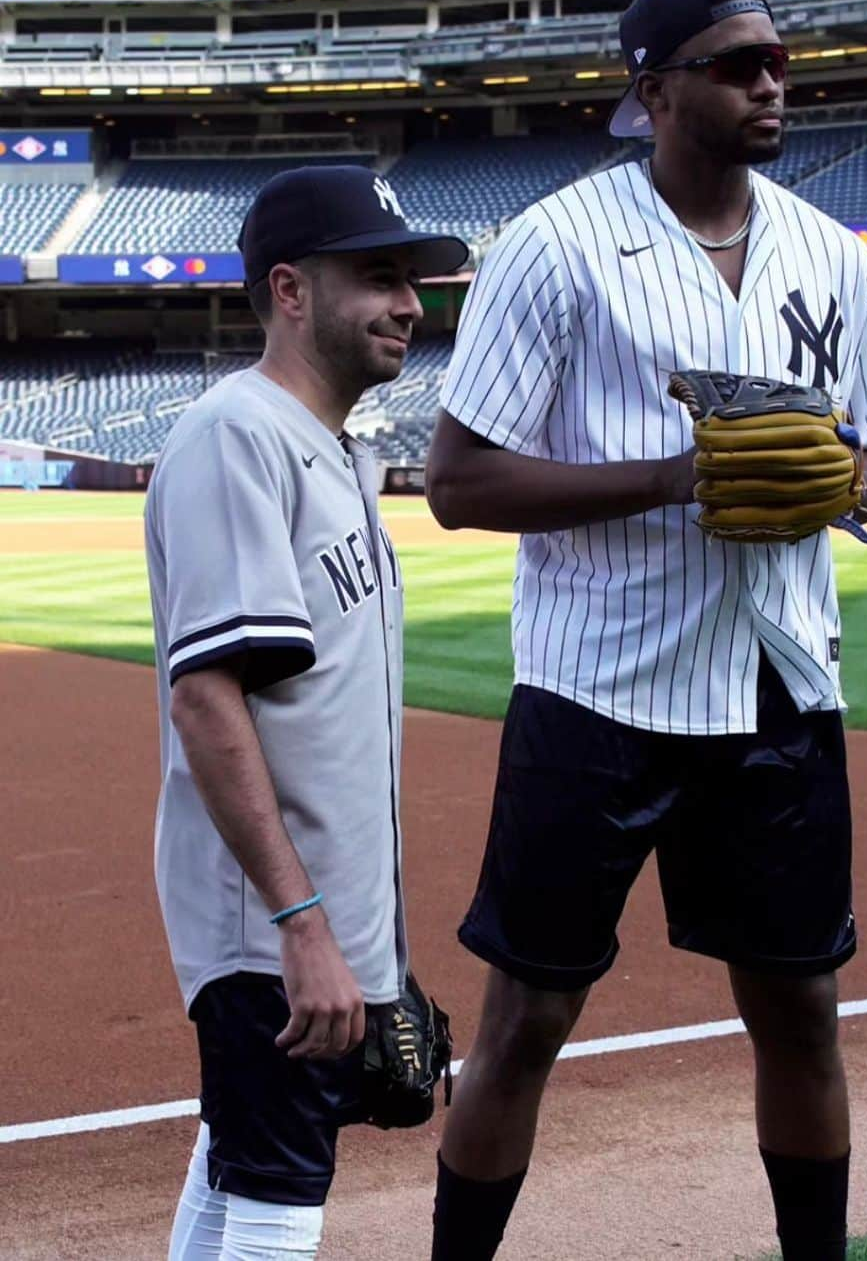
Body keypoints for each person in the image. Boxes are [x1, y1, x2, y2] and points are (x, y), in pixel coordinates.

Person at [424, 0, 867, 1261]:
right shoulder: (556, 244)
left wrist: (838, 476)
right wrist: (681, 475)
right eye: (736, 63)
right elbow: (458, 481)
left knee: (801, 1006)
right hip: (598, 693)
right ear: (652, 90)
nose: (771, 81)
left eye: (778, 62)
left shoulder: (831, 255)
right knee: (526, 1018)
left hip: (778, 683)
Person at [145, 165, 467, 1259]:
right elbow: (206, 697)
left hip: (307, 919)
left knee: (237, 1167)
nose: (410, 305)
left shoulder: (331, 452)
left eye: (411, 281)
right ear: (290, 290)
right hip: (264, 927)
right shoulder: (239, 435)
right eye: (378, 277)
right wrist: (303, 928)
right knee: (281, 1199)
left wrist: (369, 938)